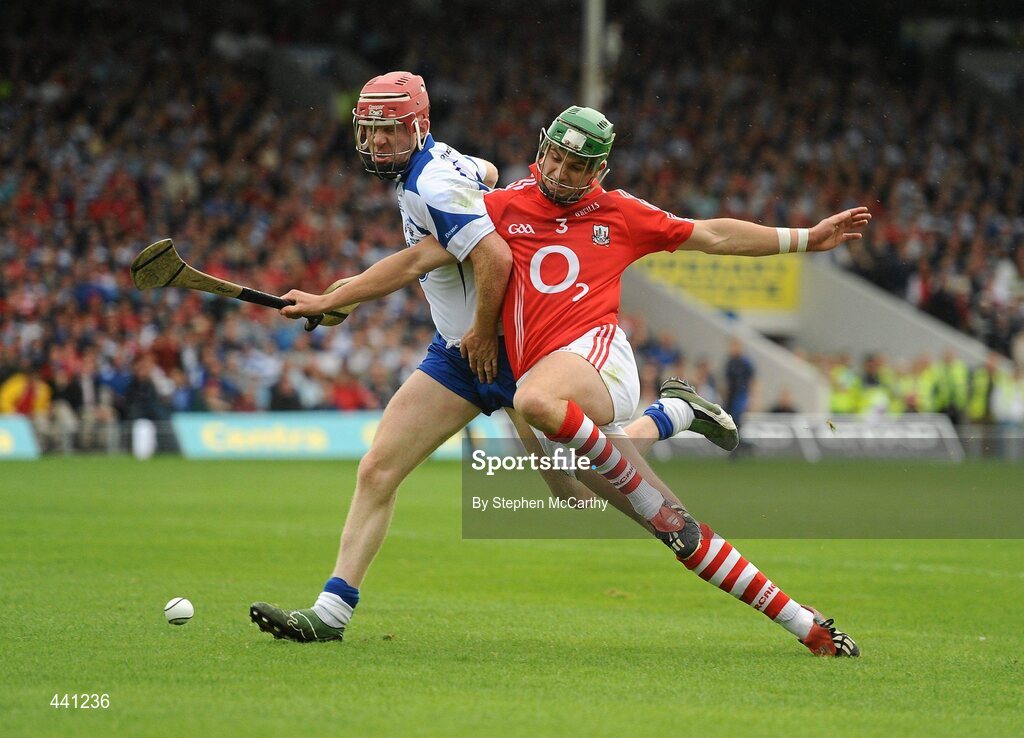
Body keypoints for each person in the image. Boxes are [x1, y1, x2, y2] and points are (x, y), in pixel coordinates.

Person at [250, 75, 734, 644]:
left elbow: (492, 257)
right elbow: (484, 177)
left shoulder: (430, 181)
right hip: (455, 362)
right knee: (378, 468)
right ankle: (331, 613)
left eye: (388, 131)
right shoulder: (437, 166)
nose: (377, 143)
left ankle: (670, 414)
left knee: (577, 491)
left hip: (514, 354)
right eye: (371, 131)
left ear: (418, 128)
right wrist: (341, 297)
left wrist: (467, 329)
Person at [481, 106, 867, 656]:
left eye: (576, 166)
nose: (561, 172)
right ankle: (808, 626)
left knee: (536, 400)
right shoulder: (502, 205)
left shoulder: (619, 213)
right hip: (539, 377)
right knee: (631, 516)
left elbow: (713, 235)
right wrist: (341, 294)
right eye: (556, 158)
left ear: (599, 171)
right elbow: (427, 249)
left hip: (594, 362)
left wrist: (804, 237)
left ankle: (654, 436)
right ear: (542, 150)